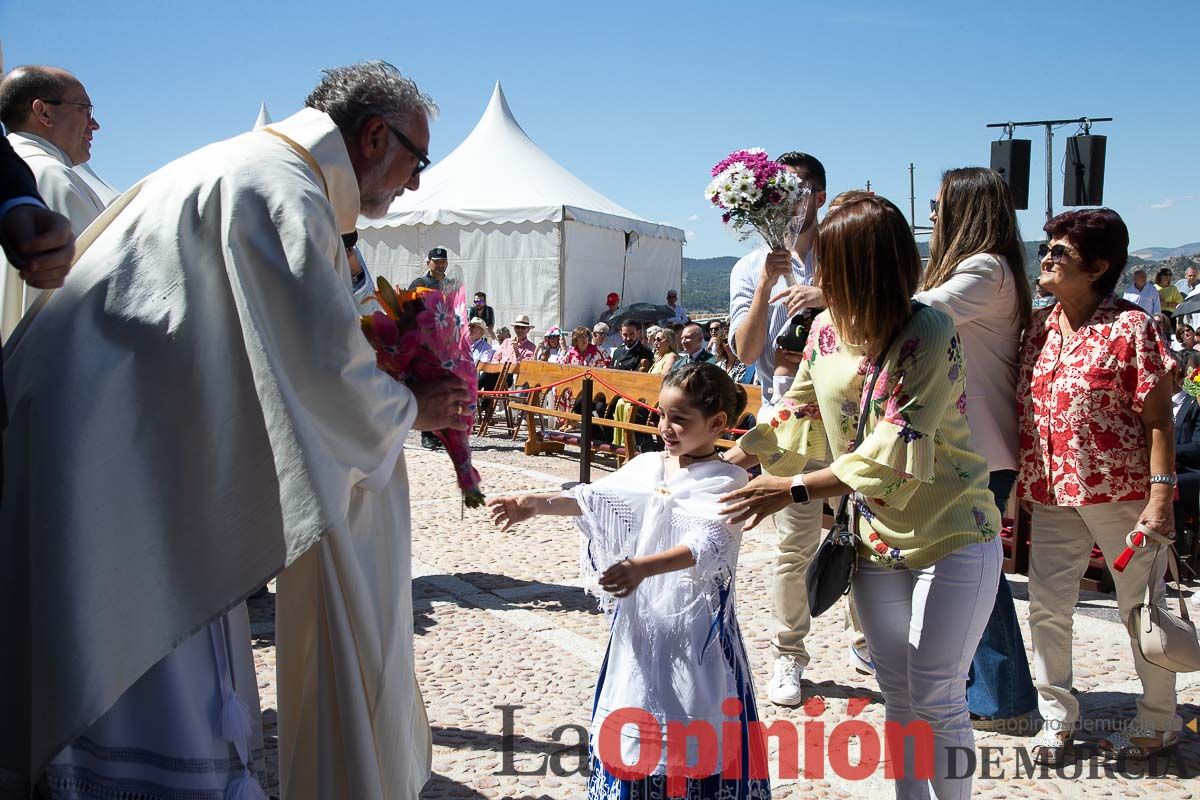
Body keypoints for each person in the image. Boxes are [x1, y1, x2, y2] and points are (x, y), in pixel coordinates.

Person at [0, 62, 468, 800]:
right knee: (132, 691)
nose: (412, 184)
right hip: (113, 469)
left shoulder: (252, 165)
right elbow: (325, 375)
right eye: (417, 160)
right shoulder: (285, 189)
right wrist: (415, 407)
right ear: (375, 135)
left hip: (117, 446)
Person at [721, 195, 1003, 800]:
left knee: (936, 691)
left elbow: (894, 445)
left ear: (863, 266)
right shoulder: (826, 329)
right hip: (874, 537)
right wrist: (725, 465)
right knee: (898, 695)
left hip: (952, 532)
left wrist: (791, 487)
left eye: (831, 258)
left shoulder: (927, 328)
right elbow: (796, 414)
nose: (816, 268)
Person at [488, 364, 770, 800]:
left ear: (716, 424)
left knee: (696, 721)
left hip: (698, 635)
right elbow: (592, 499)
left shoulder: (728, 481)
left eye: (679, 419)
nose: (665, 428)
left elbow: (705, 545)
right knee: (632, 709)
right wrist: (531, 504)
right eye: (661, 415)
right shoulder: (647, 466)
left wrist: (642, 567)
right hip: (639, 632)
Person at [1016, 208, 1181, 765]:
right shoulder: (1037, 328)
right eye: (1048, 247)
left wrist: (1160, 499)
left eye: (1061, 251)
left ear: (1098, 267)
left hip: (1122, 495)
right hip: (1051, 493)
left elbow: (1159, 420)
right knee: (1046, 607)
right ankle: (1057, 716)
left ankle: (1160, 720)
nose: (1047, 258)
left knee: (1140, 609)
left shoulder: (1131, 328)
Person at [920, 167, 1038, 733]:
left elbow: (918, 310)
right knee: (971, 573)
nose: (934, 214)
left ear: (967, 210)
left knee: (978, 578)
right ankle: (984, 686)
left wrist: (839, 288)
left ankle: (1007, 698)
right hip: (974, 447)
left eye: (942, 205)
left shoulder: (985, 269)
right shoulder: (988, 267)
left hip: (982, 448)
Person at [0, 65, 106, 337]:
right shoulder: (51, 177)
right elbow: (96, 297)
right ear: (43, 112)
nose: (95, 125)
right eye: (85, 109)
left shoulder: (19, 180)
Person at [1171, 352, 1200, 551]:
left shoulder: (1193, 403)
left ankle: (1175, 549)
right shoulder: (1158, 403)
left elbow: (1197, 446)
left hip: (1190, 470)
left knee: (1166, 486)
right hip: (1169, 467)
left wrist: (1168, 452)